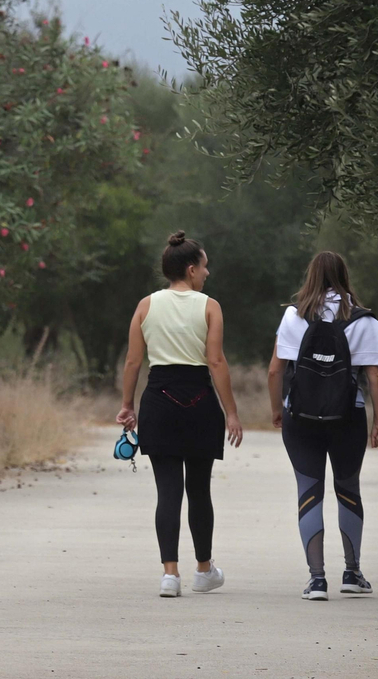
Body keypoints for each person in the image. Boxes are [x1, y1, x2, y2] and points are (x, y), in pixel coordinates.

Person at [117, 232, 244, 598]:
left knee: (167, 491)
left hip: (158, 399)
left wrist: (128, 405)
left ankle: (169, 575)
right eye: (204, 266)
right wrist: (231, 412)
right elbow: (216, 361)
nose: (207, 272)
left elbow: (133, 361)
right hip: (200, 401)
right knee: (199, 489)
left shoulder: (145, 305)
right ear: (191, 269)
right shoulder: (209, 306)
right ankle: (203, 570)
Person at [268, 251, 378, 601]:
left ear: (310, 277)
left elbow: (275, 370)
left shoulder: (293, 317)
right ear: (344, 276)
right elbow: (375, 376)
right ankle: (352, 573)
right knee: (348, 490)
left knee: (309, 492)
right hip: (347, 417)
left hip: (300, 418)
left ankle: (317, 579)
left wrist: (278, 409)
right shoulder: (365, 321)